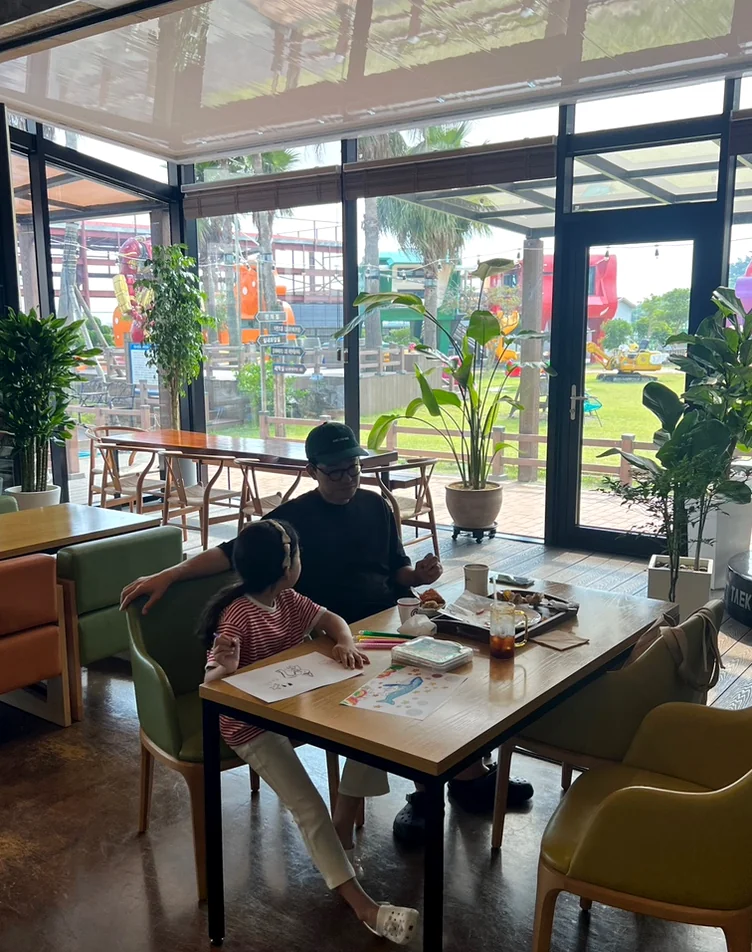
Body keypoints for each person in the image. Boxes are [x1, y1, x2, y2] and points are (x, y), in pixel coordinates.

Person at [121, 422, 533, 848]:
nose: (347, 480)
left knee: (461, 668)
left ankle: (467, 774)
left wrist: (419, 574)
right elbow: (230, 554)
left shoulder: (376, 506)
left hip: (394, 620)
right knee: (398, 699)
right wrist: (171, 572)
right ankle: (431, 794)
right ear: (313, 470)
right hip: (332, 638)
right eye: (335, 472)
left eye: (353, 469)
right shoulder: (292, 520)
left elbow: (397, 571)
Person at [201, 518, 418, 945]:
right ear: (286, 566)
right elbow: (211, 682)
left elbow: (332, 619)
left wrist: (346, 642)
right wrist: (222, 668)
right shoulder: (238, 615)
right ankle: (365, 908)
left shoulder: (286, 600)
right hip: (249, 728)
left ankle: (341, 828)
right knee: (307, 807)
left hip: (290, 710)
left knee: (368, 733)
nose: (301, 561)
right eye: (297, 554)